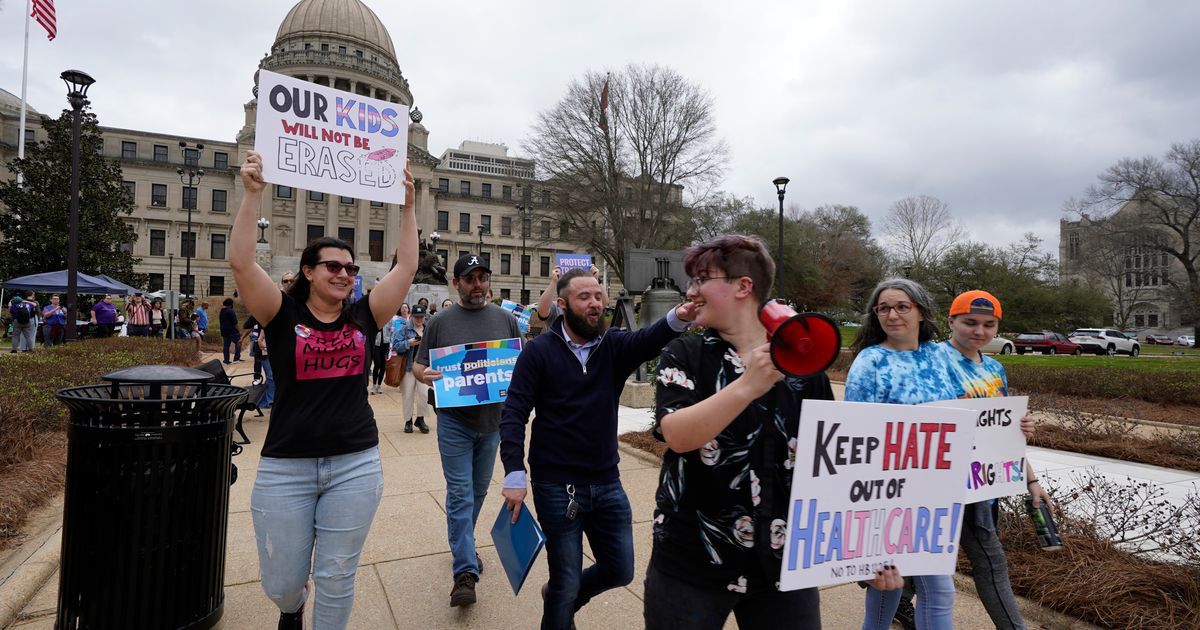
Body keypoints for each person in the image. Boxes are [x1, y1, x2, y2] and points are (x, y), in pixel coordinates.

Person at [230, 149, 417, 629]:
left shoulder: (364, 316)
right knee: (283, 582)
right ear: (309, 272)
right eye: (332, 266)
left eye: (351, 269)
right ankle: (291, 609)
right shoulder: (281, 314)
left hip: (354, 462)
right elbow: (243, 263)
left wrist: (409, 208)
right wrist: (253, 196)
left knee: (337, 575)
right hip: (286, 465)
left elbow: (406, 269)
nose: (344, 274)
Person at [642, 235, 851, 628]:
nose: (691, 291)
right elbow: (677, 434)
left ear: (743, 285)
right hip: (693, 561)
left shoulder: (805, 365)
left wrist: (863, 554)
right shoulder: (684, 354)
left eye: (702, 278)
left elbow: (830, 463)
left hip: (784, 565)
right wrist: (748, 384)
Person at [500, 268, 694, 629]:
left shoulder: (614, 346)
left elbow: (649, 339)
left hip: (606, 481)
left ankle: (562, 595)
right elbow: (514, 413)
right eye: (584, 297)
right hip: (556, 486)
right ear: (562, 305)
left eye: (599, 296)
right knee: (566, 580)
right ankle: (561, 599)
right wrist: (514, 471)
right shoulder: (538, 352)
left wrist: (679, 316)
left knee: (620, 570)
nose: (595, 304)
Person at [845, 278, 962, 630]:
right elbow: (855, 432)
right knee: (934, 591)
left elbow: (966, 408)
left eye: (901, 307)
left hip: (935, 493)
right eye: (883, 308)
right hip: (888, 494)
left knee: (888, 591)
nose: (892, 315)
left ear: (921, 311)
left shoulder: (941, 355)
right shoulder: (870, 362)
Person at [413, 253, 522, 607]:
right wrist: (423, 375)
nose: (478, 285)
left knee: (476, 493)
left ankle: (465, 546)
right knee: (460, 494)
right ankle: (464, 572)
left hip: (493, 424)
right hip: (454, 423)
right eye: (470, 279)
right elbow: (419, 365)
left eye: (482, 278)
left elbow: (520, 365)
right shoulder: (440, 321)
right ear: (456, 283)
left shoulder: (506, 320)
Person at [940, 290, 1050, 630]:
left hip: (983, 486)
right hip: (940, 482)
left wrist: (1030, 478)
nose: (979, 332)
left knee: (984, 560)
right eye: (970, 322)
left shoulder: (995, 369)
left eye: (989, 325)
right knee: (969, 561)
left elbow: (1001, 437)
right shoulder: (932, 361)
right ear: (951, 321)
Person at [392, 304, 431, 433]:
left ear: (425, 317)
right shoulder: (404, 330)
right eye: (416, 317)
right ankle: (408, 420)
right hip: (408, 367)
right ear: (412, 317)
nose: (419, 319)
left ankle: (420, 419)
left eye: (421, 317)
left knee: (424, 394)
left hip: (424, 367)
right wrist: (408, 343)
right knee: (407, 395)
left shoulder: (428, 330)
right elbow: (396, 346)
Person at [219, 298, 242, 364]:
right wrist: (239, 331)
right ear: (231, 304)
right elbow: (235, 323)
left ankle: (226, 360)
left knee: (226, 345)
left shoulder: (222, 311)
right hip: (232, 331)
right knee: (238, 343)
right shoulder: (230, 311)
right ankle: (236, 359)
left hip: (224, 331)